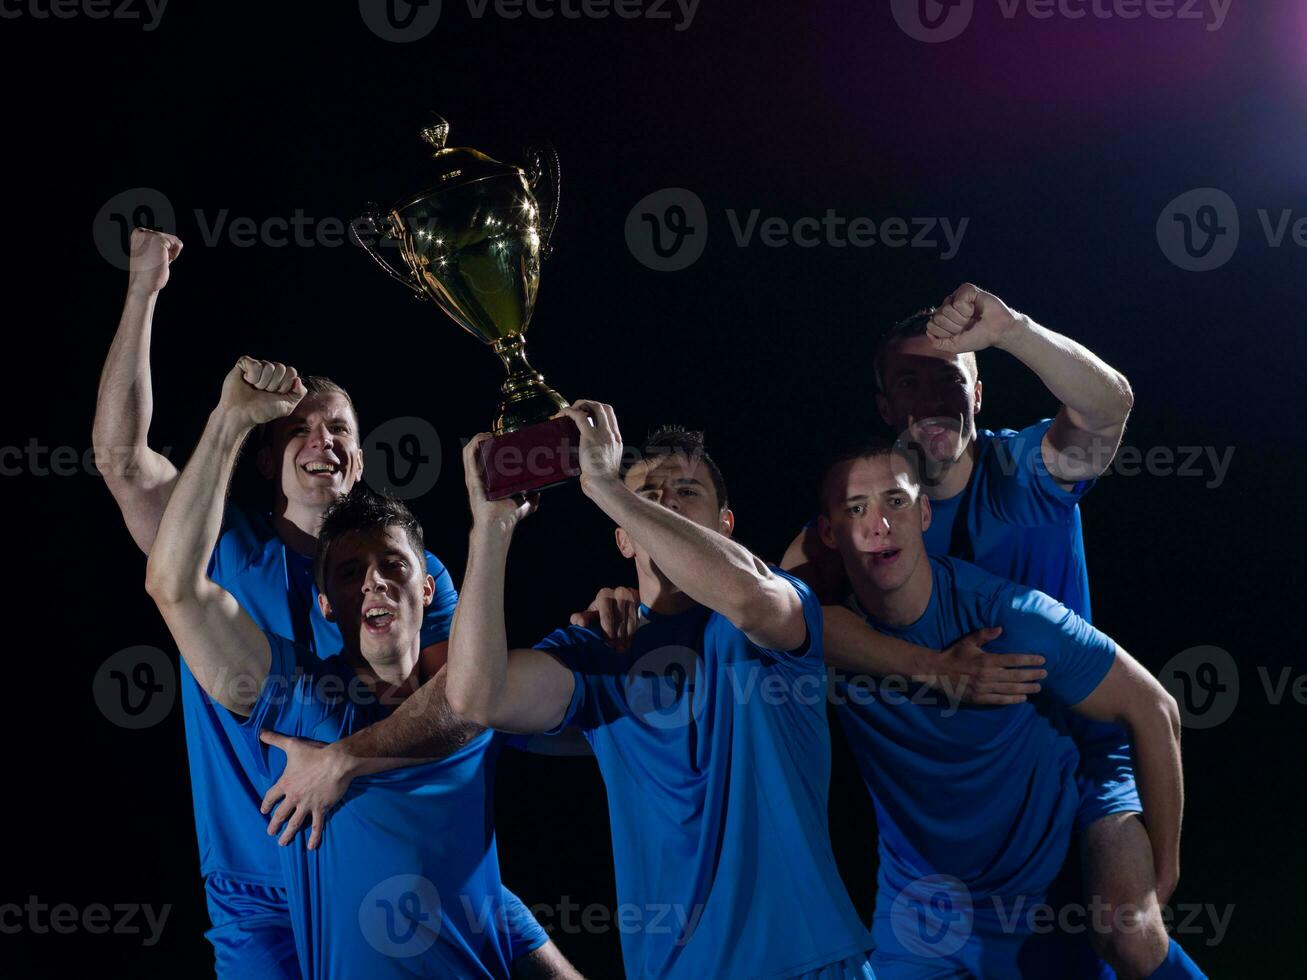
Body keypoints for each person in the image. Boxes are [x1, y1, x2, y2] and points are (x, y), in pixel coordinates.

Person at [94, 229, 571, 978]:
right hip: (263, 885)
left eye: (340, 428)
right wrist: (144, 290)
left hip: (399, 838)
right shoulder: (215, 549)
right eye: (298, 430)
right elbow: (122, 463)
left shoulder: (417, 573)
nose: (323, 441)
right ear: (263, 453)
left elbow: (461, 699)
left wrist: (344, 760)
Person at [784, 284, 1196, 977]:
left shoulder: (1024, 471)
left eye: (951, 378)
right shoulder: (861, 522)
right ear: (884, 408)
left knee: (1127, 931)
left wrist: (1012, 330)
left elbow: (1107, 405)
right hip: (952, 790)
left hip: (1075, 747)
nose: (931, 398)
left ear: (977, 396)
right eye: (908, 382)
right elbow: (775, 614)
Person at [444, 405, 876, 979]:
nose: (666, 500)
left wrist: (608, 485)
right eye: (650, 492)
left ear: (725, 523)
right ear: (623, 541)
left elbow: (747, 597)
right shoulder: (596, 649)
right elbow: (477, 698)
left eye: (687, 490)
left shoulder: (771, 610)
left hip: (808, 964)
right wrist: (490, 529)